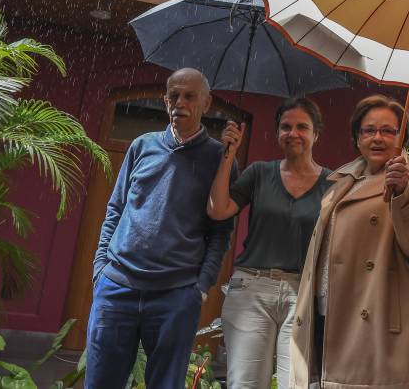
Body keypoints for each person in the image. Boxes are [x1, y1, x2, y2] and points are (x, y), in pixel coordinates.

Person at [86, 68, 234, 389]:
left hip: (176, 295)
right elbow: (115, 208)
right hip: (116, 288)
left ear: (206, 104)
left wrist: (201, 287)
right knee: (100, 382)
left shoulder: (219, 159)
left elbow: (220, 232)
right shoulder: (142, 146)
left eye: (190, 96)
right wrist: (101, 268)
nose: (179, 102)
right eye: (173, 95)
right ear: (165, 100)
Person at [289, 95, 409, 389]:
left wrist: (403, 194)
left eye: (388, 130)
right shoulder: (343, 180)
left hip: (374, 320)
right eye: (368, 130)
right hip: (322, 314)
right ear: (356, 137)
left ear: (402, 137)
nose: (378, 138)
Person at [206, 98, 332, 389]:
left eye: (303, 127)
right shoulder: (258, 173)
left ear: (316, 134)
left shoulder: (333, 183)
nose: (293, 133)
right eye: (286, 127)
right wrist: (228, 156)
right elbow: (218, 209)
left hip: (302, 293)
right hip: (252, 289)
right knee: (246, 384)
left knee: (296, 384)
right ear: (277, 133)